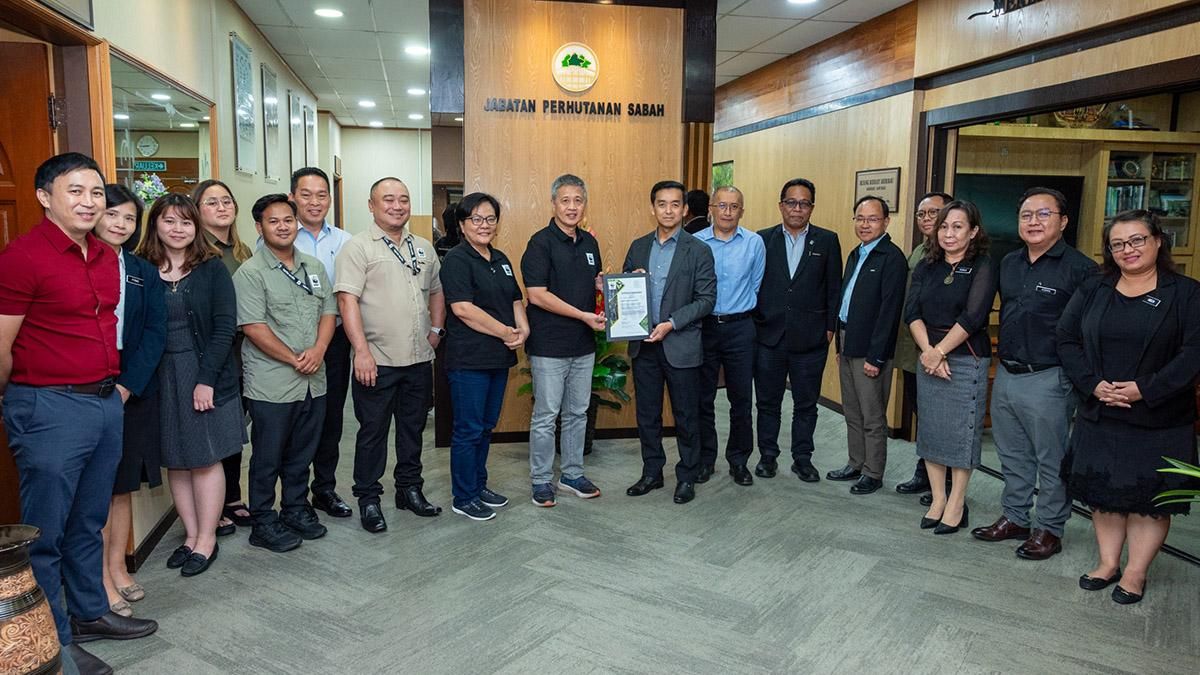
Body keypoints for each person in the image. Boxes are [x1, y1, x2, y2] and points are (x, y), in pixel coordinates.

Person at [0, 153, 158, 675]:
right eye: (75, 191)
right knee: (46, 531)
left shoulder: (104, 256)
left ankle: (91, 612)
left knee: (89, 520)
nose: (89, 202)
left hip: (103, 401)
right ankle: (55, 639)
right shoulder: (23, 257)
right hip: (48, 405)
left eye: (96, 192)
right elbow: (2, 344)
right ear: (46, 197)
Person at [1057, 210, 1200, 604]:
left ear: (1157, 241)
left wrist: (1144, 389)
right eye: (1118, 243)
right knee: (1104, 490)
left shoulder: (1187, 293)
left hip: (1161, 416)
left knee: (1149, 500)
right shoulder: (1094, 288)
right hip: (1100, 409)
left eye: (1137, 240)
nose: (1127, 249)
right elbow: (1066, 338)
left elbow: (1193, 355)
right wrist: (1093, 385)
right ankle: (1107, 563)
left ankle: (1136, 572)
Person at [972, 188, 1097, 559]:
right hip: (1008, 371)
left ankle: (1049, 528)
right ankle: (1015, 517)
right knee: (1012, 454)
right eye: (1026, 215)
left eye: (1043, 214)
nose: (1033, 222)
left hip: (1050, 377)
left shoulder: (1081, 270)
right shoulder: (1008, 262)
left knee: (1051, 458)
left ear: (1063, 221)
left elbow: (1090, 331)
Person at [137, 192, 241, 575]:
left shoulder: (212, 268)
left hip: (203, 374)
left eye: (185, 222)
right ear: (156, 225)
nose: (177, 229)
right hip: (159, 377)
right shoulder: (142, 268)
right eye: (169, 221)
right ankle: (190, 534)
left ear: (195, 227)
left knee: (205, 456)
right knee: (175, 460)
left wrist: (205, 381)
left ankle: (207, 540)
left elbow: (224, 329)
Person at [335, 177, 445, 533]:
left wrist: (437, 331)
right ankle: (368, 499)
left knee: (412, 431)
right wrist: (361, 352)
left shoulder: (424, 247)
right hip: (376, 361)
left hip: (417, 358)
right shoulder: (358, 248)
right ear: (371, 205)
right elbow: (346, 300)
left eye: (403, 199)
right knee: (373, 434)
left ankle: (409, 490)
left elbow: (437, 292)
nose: (397, 206)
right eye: (388, 200)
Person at [234, 194, 337, 552]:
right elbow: (253, 327)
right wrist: (295, 359)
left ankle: (295, 508)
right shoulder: (250, 272)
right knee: (268, 455)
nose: (282, 226)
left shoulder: (313, 267)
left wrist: (320, 350)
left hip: (314, 378)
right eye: (273, 221)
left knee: (302, 452)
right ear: (259, 227)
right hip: (272, 382)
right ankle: (263, 519)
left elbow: (328, 312)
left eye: (288, 220)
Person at [903, 200, 997, 535]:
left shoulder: (984, 265)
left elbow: (973, 316)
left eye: (957, 226)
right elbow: (911, 312)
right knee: (931, 430)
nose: (949, 233)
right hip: (929, 355)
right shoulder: (928, 265)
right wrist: (929, 352)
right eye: (944, 226)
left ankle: (957, 503)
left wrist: (940, 351)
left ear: (973, 231)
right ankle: (938, 499)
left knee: (960, 432)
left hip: (965, 355)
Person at [622, 180, 716, 504]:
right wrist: (627, 282)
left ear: (685, 209)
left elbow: (706, 299)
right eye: (662, 204)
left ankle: (687, 475)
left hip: (681, 343)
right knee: (647, 414)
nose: (668, 210)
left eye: (675, 204)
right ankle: (652, 472)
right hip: (643, 344)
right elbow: (622, 293)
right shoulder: (637, 246)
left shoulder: (699, 250)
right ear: (653, 208)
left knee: (686, 415)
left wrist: (671, 323)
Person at [96, 184, 166, 617]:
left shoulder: (141, 270)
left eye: (128, 218)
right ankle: (98, 579)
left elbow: (155, 333)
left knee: (122, 487)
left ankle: (118, 568)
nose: (120, 224)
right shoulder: (81, 263)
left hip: (132, 386)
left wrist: (128, 385)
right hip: (88, 383)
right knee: (96, 491)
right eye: (112, 215)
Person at [441, 192, 529, 520]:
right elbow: (463, 309)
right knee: (468, 428)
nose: (484, 225)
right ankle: (463, 496)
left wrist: (523, 329)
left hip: (498, 359)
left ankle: (478, 485)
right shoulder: (457, 260)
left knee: (486, 426)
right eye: (476, 219)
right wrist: (506, 332)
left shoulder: (501, 258)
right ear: (462, 225)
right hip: (469, 361)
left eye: (490, 218)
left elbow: (515, 299)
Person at [521, 174, 606, 507]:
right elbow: (538, 295)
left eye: (578, 200)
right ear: (554, 203)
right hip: (549, 345)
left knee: (578, 413)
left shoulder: (590, 243)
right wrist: (583, 315)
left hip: (583, 345)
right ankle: (541, 480)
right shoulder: (539, 243)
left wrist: (605, 287)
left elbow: (588, 286)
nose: (572, 207)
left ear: (584, 204)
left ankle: (572, 474)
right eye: (565, 200)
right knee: (546, 415)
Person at [753, 178, 842, 483]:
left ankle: (802, 459)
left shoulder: (827, 241)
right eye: (791, 202)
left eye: (804, 203)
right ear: (781, 205)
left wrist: (829, 330)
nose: (797, 208)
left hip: (811, 339)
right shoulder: (761, 240)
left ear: (812, 208)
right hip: (769, 337)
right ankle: (767, 456)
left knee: (806, 404)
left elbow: (834, 289)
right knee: (767, 402)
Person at [827, 196, 907, 494]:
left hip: (871, 350)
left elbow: (889, 313)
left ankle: (873, 472)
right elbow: (845, 302)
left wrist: (876, 356)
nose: (865, 224)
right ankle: (855, 462)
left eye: (872, 219)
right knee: (852, 410)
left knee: (873, 415)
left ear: (886, 221)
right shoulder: (856, 254)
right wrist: (839, 348)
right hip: (848, 340)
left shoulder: (892, 258)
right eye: (860, 218)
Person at [288, 167, 355, 520]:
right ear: (293, 197)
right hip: (291, 343)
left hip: (336, 341)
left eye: (321, 195)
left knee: (330, 418)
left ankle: (324, 490)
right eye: (306, 194)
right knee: (296, 419)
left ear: (330, 198)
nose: (315, 202)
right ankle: (292, 497)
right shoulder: (280, 236)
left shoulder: (345, 241)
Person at [190, 179, 253, 534]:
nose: (221, 207)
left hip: (247, 352)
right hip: (215, 352)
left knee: (235, 430)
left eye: (226, 201)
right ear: (198, 211)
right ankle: (214, 505)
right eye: (211, 202)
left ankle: (232, 496)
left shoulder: (244, 252)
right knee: (213, 428)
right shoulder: (199, 254)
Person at [694, 185, 765, 486]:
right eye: (721, 206)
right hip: (703, 327)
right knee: (702, 398)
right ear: (711, 208)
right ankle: (705, 460)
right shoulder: (695, 243)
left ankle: (739, 460)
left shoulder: (754, 243)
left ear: (741, 211)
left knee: (741, 399)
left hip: (740, 327)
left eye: (734, 207)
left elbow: (757, 285)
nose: (727, 212)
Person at [894, 191, 951, 498]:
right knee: (922, 414)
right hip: (910, 348)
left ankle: (946, 483)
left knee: (941, 418)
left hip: (939, 351)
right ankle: (925, 472)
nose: (927, 219)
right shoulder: (919, 250)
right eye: (922, 214)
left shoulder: (955, 253)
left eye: (934, 213)